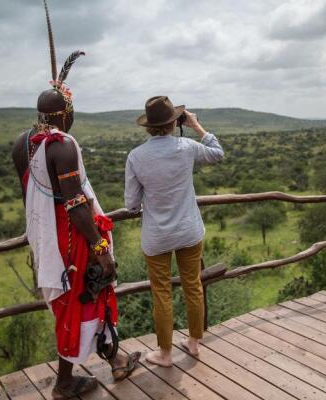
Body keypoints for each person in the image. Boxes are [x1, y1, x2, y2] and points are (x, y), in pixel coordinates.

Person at [11, 2, 138, 399]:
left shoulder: (22, 142)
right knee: (82, 295)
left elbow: (31, 197)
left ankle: (115, 359)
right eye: (72, 108)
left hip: (46, 236)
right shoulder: (62, 144)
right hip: (71, 238)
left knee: (87, 295)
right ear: (64, 113)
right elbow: (74, 203)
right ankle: (65, 383)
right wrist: (99, 247)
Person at [125, 96, 224, 366]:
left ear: (148, 126)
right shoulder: (187, 147)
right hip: (189, 230)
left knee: (161, 293)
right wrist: (197, 126)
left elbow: (131, 204)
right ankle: (193, 343)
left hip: (157, 236)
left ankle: (165, 354)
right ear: (174, 122)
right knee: (193, 286)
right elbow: (217, 153)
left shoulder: (136, 157)